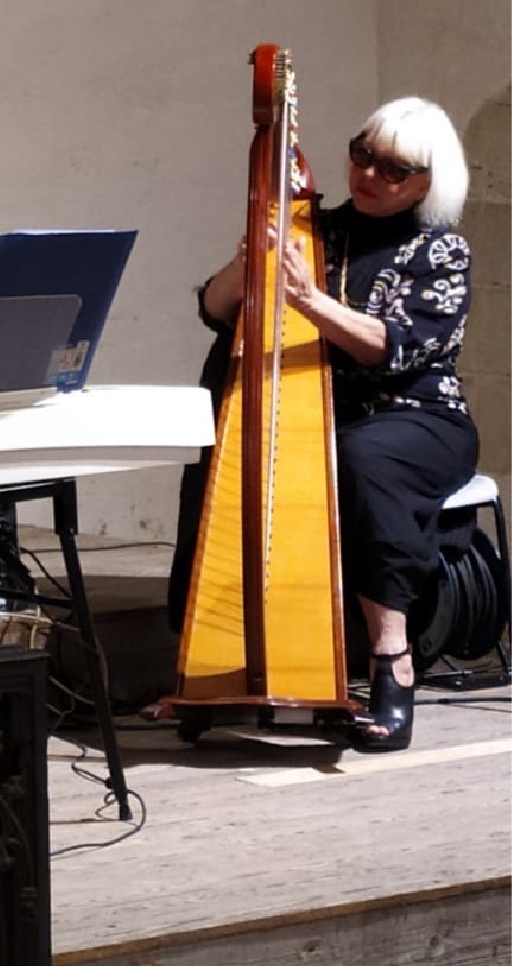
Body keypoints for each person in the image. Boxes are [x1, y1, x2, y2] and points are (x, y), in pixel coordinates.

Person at [170, 96, 476, 752]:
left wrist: (306, 300)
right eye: (361, 155)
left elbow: (390, 347)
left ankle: (391, 659)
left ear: (427, 182)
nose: (367, 173)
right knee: (231, 441)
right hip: (321, 416)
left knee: (363, 458)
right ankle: (216, 665)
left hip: (414, 416)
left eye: (392, 169)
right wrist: (249, 259)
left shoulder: (440, 251)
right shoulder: (316, 229)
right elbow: (214, 307)